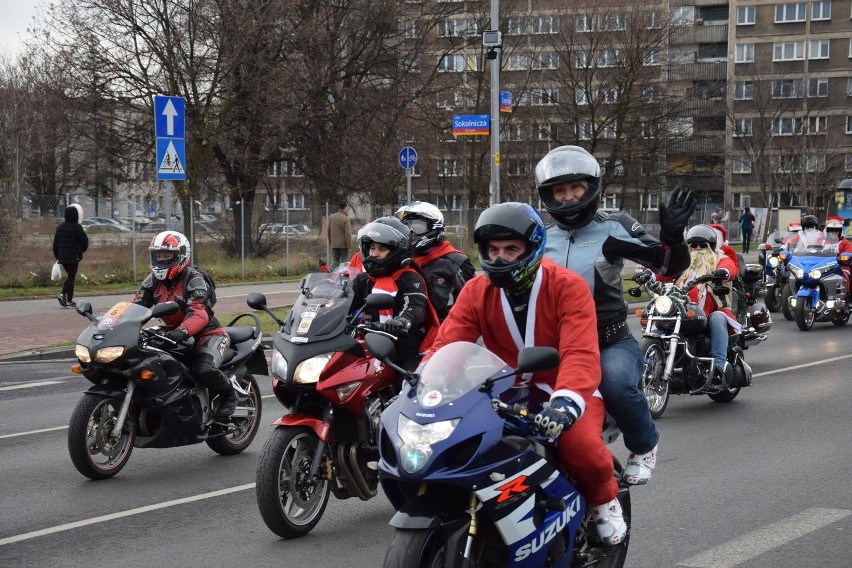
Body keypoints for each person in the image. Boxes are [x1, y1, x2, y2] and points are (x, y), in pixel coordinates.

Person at [426, 202, 626, 545]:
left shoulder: (568, 286)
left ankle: (605, 501)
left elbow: (580, 352)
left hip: (565, 388)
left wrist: (566, 404)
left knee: (580, 448)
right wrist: (423, 384)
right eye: (493, 249)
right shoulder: (476, 290)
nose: (500, 257)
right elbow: (446, 345)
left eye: (511, 249)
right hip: (505, 389)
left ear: (532, 249)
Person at [535, 145, 694, 486]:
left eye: (575, 187)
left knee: (618, 385)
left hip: (608, 342)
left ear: (591, 187)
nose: (567, 197)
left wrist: (673, 239)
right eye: (559, 190)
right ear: (547, 194)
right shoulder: (538, 237)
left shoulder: (614, 227)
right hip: (554, 345)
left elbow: (667, 266)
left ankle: (644, 445)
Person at [133, 231, 236, 420]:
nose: (161, 260)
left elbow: (199, 312)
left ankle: (229, 396)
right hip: (174, 333)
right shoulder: (153, 281)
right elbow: (136, 307)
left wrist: (182, 331)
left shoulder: (194, 278)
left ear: (181, 255)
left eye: (166, 256)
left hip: (208, 334)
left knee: (202, 370)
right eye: (158, 255)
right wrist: (113, 324)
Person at [351, 217, 438, 372]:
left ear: (397, 252)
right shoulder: (363, 280)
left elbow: (415, 305)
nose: (374, 254)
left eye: (381, 249)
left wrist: (403, 320)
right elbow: (345, 301)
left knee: (407, 387)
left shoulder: (410, 278)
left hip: (404, 352)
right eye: (372, 248)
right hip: (370, 347)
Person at [673, 225, 740, 392]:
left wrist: (723, 272)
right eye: (693, 245)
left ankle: (717, 369)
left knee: (718, 319)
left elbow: (731, 268)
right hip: (684, 313)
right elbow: (664, 272)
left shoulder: (719, 259)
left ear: (710, 246)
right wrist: (649, 273)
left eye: (702, 245)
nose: (697, 249)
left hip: (712, 312)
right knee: (660, 318)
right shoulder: (683, 264)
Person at [396, 202, 475, 321]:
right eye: (408, 226)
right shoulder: (403, 260)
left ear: (435, 228)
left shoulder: (455, 262)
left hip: (445, 328)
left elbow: (475, 299)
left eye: (418, 227)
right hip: (409, 325)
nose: (412, 231)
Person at [53, 204, 89, 309]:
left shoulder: (60, 227)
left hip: (62, 256)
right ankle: (68, 299)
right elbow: (84, 241)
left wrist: (57, 255)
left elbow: (55, 244)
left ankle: (63, 296)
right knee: (71, 277)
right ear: (76, 215)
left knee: (70, 277)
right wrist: (81, 252)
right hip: (73, 256)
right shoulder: (77, 227)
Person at [823, 216, 852, 295]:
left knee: (843, 276)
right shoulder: (822, 242)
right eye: (831, 230)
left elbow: (849, 254)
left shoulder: (845, 242)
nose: (834, 232)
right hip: (822, 267)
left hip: (841, 267)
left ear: (840, 231)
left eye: (837, 230)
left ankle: (846, 297)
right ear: (827, 231)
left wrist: (842, 258)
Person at [328, 201, 353, 269]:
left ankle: (329, 273)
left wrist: (331, 243)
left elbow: (329, 231)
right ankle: (342, 277)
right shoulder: (346, 218)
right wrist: (349, 246)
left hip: (334, 244)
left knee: (335, 260)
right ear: (346, 207)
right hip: (343, 245)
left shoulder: (332, 217)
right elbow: (348, 234)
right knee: (344, 262)